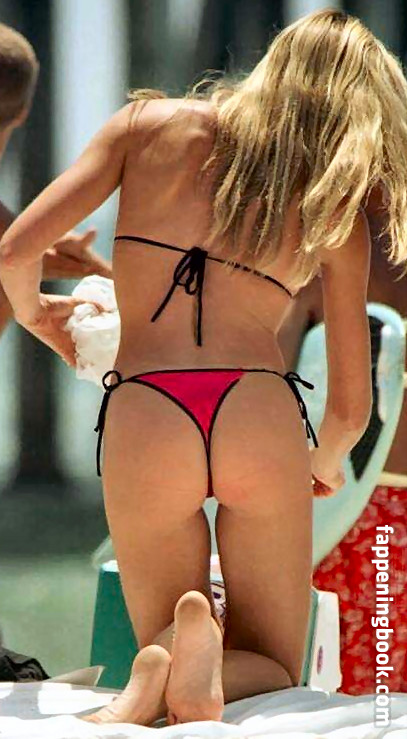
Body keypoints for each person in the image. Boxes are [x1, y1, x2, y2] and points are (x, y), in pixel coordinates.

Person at [0, 7, 407, 726]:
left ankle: (155, 668)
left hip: (147, 408)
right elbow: (350, 406)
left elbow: (14, 249)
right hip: (257, 410)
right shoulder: (328, 201)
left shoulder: (143, 126)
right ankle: (195, 670)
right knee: (274, 663)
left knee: (162, 608)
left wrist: (39, 318)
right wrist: (322, 463)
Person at [279, 183, 407, 695]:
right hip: (366, 505)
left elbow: (266, 378)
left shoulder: (320, 243)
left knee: (351, 701)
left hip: (350, 508)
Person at [0, 22, 110, 341]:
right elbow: (142, 317)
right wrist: (96, 272)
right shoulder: (9, 235)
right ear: (23, 111)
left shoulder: (10, 239)